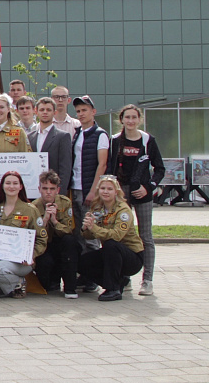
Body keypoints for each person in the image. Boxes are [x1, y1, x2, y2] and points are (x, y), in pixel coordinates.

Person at [106, 104, 164, 296]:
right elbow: (110, 168)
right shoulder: (115, 140)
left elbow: (160, 169)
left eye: (134, 117)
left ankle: (147, 280)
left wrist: (149, 187)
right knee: (121, 234)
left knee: (145, 236)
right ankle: (125, 277)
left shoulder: (148, 140)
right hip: (121, 194)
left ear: (139, 119)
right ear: (121, 120)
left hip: (142, 193)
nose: (130, 121)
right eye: (127, 117)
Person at [0, 172, 47, 298]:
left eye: (15, 183)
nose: (11, 186)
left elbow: (41, 238)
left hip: (21, 262)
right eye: (8, 183)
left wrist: (31, 255)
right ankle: (13, 285)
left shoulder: (30, 210)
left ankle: (18, 283)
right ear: (2, 186)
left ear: (21, 186)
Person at [80, 176, 145, 301]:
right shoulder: (97, 208)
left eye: (110, 189)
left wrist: (94, 228)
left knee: (111, 244)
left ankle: (113, 289)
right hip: (111, 254)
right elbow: (89, 236)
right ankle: (118, 281)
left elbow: (116, 236)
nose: (105, 191)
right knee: (82, 262)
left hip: (132, 256)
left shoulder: (123, 210)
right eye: (103, 188)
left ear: (116, 192)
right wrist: (86, 228)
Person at [31, 170, 79, 298]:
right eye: (45, 188)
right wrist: (45, 220)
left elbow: (69, 230)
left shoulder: (65, 202)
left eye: (52, 189)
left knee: (70, 242)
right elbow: (34, 235)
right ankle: (51, 282)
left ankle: (70, 288)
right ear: (39, 189)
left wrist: (54, 221)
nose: (48, 192)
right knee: (45, 273)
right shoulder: (33, 207)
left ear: (57, 190)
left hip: (60, 243)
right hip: (44, 245)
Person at [71, 95, 109, 238]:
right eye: (78, 111)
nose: (81, 114)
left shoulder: (100, 135)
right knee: (77, 231)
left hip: (88, 189)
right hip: (75, 187)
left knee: (90, 231)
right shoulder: (77, 133)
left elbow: (102, 164)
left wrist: (94, 191)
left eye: (84, 110)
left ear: (93, 111)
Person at [29, 97, 73, 197]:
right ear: (36, 112)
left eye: (48, 110)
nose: (45, 112)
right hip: (33, 190)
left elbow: (65, 169)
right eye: (42, 109)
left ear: (55, 112)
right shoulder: (30, 137)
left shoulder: (63, 136)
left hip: (53, 191)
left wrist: (60, 195)